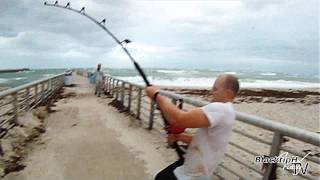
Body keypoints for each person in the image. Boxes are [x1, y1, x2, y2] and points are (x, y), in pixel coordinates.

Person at [145, 74, 240, 180]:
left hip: (192, 175)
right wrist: (179, 137)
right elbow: (205, 143)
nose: (212, 91)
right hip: (195, 170)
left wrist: (156, 95)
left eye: (215, 89)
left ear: (228, 93)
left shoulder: (221, 109)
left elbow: (180, 119)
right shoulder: (229, 112)